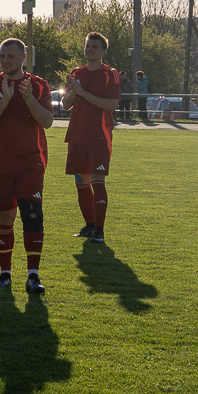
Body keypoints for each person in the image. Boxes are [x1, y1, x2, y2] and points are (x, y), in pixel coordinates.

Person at [0, 38, 54, 295]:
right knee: (5, 217)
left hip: (31, 161)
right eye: (2, 56)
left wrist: (28, 99)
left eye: (10, 56)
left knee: (32, 213)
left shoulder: (38, 85)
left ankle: (33, 276)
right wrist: (5, 100)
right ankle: (5, 273)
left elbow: (47, 121)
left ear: (23, 58)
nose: (5, 61)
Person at [61, 31, 120, 244]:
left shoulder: (110, 73)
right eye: (87, 46)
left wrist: (83, 92)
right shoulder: (77, 73)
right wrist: (74, 91)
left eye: (94, 47)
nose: (89, 50)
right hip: (77, 135)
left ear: (103, 51)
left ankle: (100, 231)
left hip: (99, 136)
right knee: (81, 183)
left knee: (98, 182)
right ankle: (90, 225)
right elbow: (66, 104)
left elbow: (111, 105)